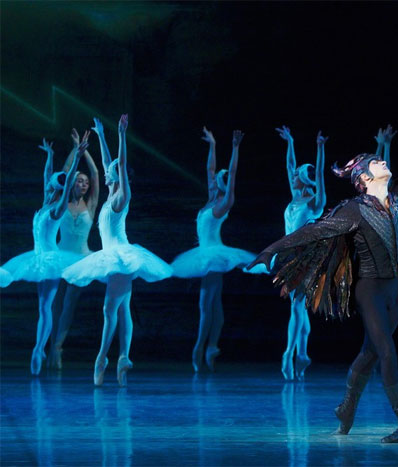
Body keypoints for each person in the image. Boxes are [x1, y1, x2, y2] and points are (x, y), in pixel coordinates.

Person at [248, 90, 398, 443]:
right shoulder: (354, 210)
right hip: (370, 291)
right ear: (364, 178)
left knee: (370, 353)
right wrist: (270, 250)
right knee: (386, 352)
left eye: (380, 160)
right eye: (375, 162)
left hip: (394, 291)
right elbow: (312, 231)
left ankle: (347, 407)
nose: (382, 162)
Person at [62, 115, 172, 386]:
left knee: (109, 310)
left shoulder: (122, 197)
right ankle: (123, 357)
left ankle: (102, 359)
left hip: (121, 257)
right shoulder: (110, 194)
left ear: (119, 175)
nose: (108, 168)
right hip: (113, 257)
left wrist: (122, 134)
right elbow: (107, 162)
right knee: (122, 310)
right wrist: (101, 135)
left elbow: (119, 163)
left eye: (112, 168)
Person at [171, 127, 266, 372]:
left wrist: (235, 148)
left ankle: (199, 348)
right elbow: (210, 169)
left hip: (213, 255)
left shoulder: (224, 203)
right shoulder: (211, 198)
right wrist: (212, 144)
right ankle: (212, 346)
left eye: (218, 181)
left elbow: (232, 175)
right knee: (215, 306)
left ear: (223, 186)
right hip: (207, 253)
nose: (213, 181)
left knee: (206, 306)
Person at [3, 135, 89, 375]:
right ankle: (39, 348)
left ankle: (38, 349)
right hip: (37, 257)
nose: (48, 185)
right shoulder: (44, 204)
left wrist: (77, 157)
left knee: (47, 306)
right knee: (43, 307)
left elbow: (67, 182)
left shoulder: (58, 208)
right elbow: (46, 176)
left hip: (51, 260)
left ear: (57, 189)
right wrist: (50, 156)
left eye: (51, 185)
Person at [275, 126, 327, 380]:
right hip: (289, 255)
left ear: (305, 179)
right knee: (300, 307)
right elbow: (289, 166)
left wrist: (320, 148)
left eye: (297, 174)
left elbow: (320, 174)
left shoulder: (315, 203)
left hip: (306, 258)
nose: (293, 175)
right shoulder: (296, 197)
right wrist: (291, 142)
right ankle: (303, 354)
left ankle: (289, 354)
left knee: (297, 305)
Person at [47, 129, 100, 369]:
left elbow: (96, 175)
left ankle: (58, 347)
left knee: (70, 302)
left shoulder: (91, 205)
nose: (84, 184)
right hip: (61, 256)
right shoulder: (62, 202)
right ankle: (51, 345)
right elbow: (65, 171)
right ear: (72, 184)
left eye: (85, 182)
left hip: (81, 258)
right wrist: (76, 149)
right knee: (56, 303)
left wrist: (85, 152)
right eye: (80, 181)